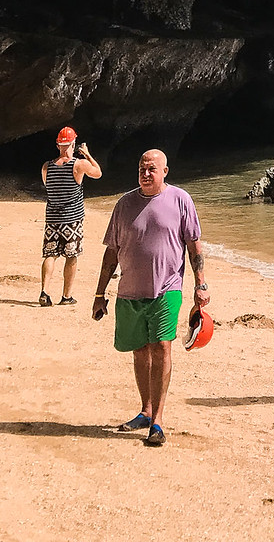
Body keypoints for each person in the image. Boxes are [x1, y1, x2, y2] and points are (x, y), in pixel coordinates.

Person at [92, 149, 209, 448]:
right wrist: (99, 293)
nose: (146, 173)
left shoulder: (180, 200)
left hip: (166, 291)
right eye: (142, 168)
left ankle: (157, 420)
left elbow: (194, 247)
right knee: (139, 351)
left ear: (165, 171)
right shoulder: (124, 204)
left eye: (152, 169)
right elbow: (111, 252)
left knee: (161, 347)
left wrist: (201, 285)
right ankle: (145, 410)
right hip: (130, 291)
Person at [40, 126, 102, 307]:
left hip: (52, 218)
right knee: (71, 257)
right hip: (72, 219)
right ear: (73, 144)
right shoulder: (78, 164)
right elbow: (98, 173)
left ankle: (45, 291)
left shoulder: (47, 167)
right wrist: (88, 155)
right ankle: (66, 296)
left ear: (58, 144)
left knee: (50, 255)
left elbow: (48, 186)